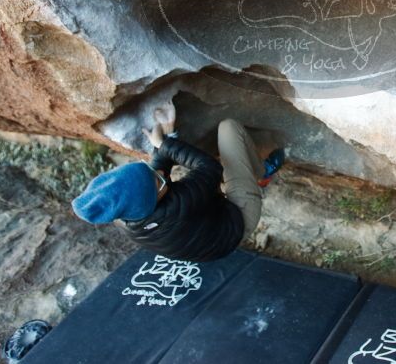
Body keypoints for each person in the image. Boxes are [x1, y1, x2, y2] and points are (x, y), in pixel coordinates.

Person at [71, 103, 284, 262]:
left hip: (208, 228)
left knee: (194, 184)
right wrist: (165, 143)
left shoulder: (131, 215)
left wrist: (169, 133)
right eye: (159, 182)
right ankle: (261, 173)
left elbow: (154, 175)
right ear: (153, 201)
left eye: (151, 173)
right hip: (237, 221)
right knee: (228, 128)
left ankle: (245, 179)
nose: (162, 175)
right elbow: (210, 168)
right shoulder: (176, 206)